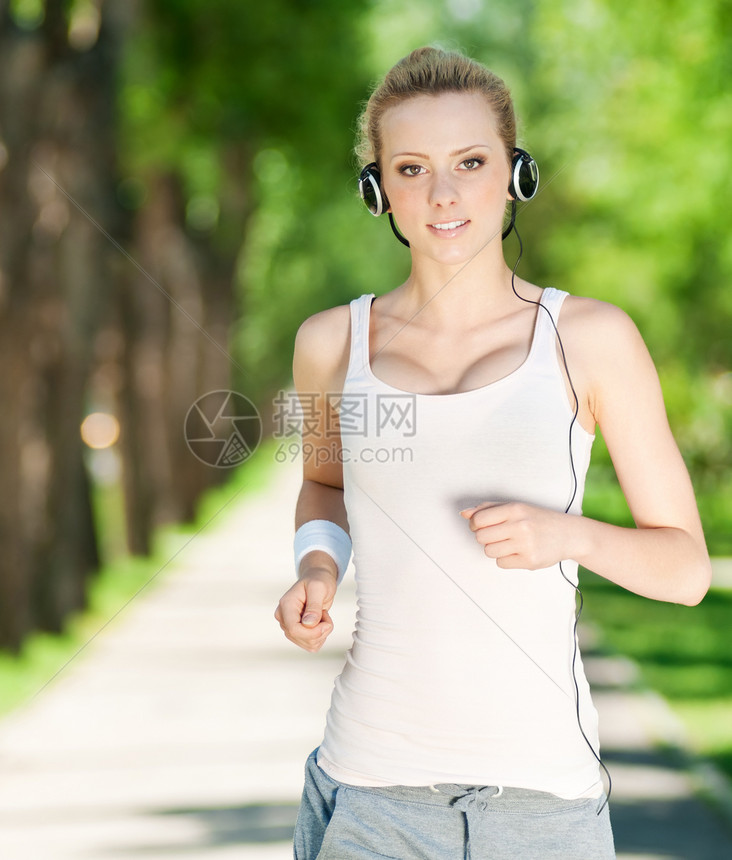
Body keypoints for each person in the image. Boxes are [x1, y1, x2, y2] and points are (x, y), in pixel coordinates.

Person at [274, 46, 711, 860]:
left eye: (470, 163)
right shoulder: (332, 343)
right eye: (411, 168)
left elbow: (685, 572)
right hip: (370, 791)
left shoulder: (589, 339)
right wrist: (317, 570)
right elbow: (322, 485)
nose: (443, 195)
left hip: (540, 803)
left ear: (516, 173)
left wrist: (569, 536)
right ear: (378, 191)